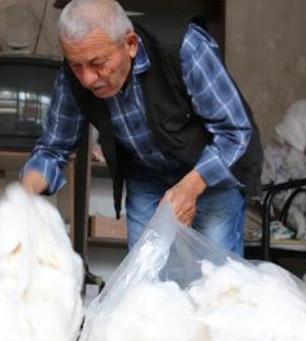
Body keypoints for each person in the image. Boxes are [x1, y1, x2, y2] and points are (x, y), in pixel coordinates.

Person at [20, 0, 262, 255]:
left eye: (97, 63)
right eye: (76, 65)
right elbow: (53, 148)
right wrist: (25, 194)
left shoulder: (186, 47)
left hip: (209, 171)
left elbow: (234, 132)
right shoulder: (72, 79)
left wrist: (190, 187)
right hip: (148, 174)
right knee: (145, 278)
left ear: (130, 44)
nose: (87, 79)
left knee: (217, 277)